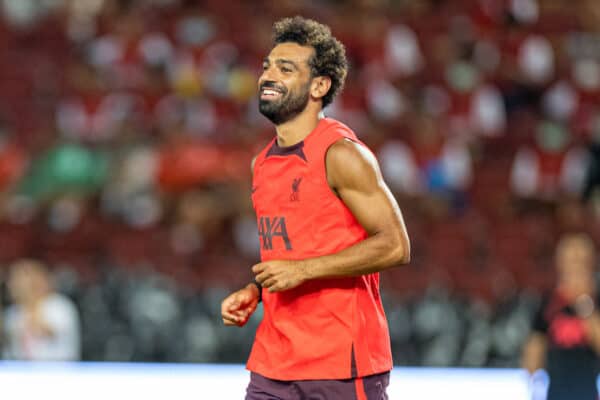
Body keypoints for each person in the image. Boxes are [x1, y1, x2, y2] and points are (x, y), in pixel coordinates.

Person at [220, 16, 410, 400]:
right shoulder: (263, 164)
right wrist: (257, 290)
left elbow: (395, 245)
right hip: (274, 363)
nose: (268, 75)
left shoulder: (341, 154)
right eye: (267, 66)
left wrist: (302, 271)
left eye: (285, 69)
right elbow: (295, 249)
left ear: (319, 86)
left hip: (342, 364)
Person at [522, 233, 600, 400]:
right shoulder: (548, 302)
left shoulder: (596, 301)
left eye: (581, 261)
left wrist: (583, 304)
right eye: (572, 260)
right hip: (556, 393)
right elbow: (532, 358)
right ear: (560, 263)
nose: (576, 267)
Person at [3, 259, 81, 361]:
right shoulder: (13, 312)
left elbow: (44, 331)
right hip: (20, 371)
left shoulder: (59, 306)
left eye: (21, 280)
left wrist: (32, 302)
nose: (15, 285)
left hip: (57, 370)